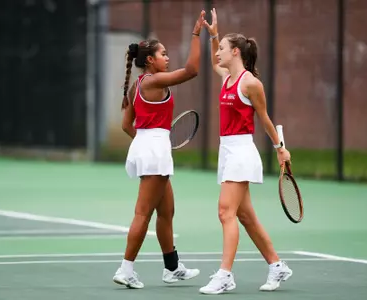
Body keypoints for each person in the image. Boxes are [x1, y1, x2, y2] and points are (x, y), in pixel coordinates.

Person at [199, 8, 293, 295]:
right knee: (245, 216)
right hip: (227, 151)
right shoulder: (227, 78)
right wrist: (214, 36)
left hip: (241, 151)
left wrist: (280, 149)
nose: (218, 53)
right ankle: (277, 265)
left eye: (223, 49)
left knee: (225, 212)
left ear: (236, 52)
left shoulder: (250, 83)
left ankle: (225, 275)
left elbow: (264, 118)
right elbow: (216, 62)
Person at [113, 10, 206, 289]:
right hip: (154, 149)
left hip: (150, 147)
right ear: (150, 61)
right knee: (143, 213)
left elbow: (126, 125)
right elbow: (192, 70)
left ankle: (172, 267)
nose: (167, 57)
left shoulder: (137, 86)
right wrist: (195, 34)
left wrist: (147, 142)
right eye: (163, 54)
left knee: (167, 212)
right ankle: (125, 269)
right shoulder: (153, 81)